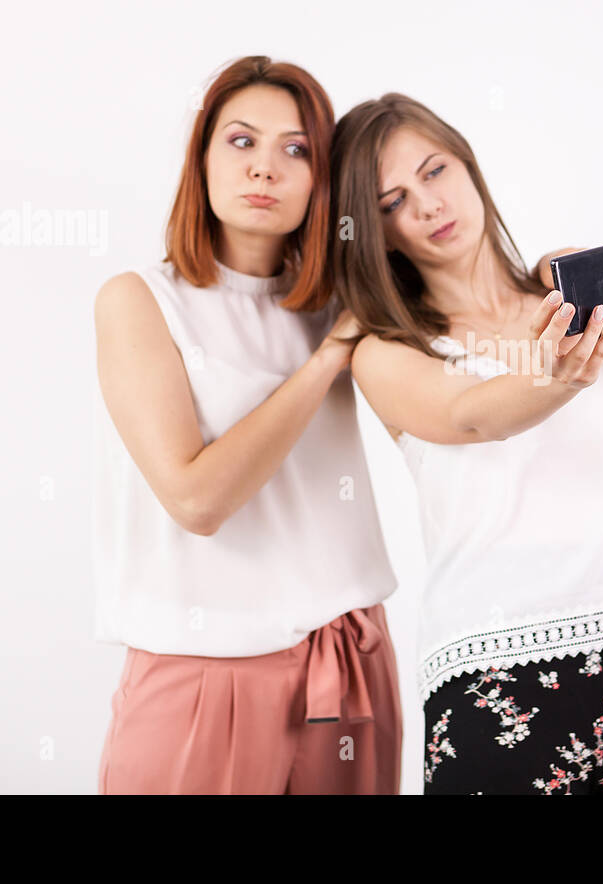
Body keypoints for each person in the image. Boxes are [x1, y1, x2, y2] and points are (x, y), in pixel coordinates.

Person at [329, 92, 603, 794]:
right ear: (377, 230)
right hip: (488, 674)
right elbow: (472, 415)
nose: (428, 205)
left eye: (434, 171)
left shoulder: (566, 284)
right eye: (391, 201)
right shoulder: (386, 351)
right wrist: (555, 375)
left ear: (467, 165)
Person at [91, 57, 402, 794]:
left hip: (349, 656)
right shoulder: (140, 301)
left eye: (296, 150)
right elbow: (196, 500)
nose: (265, 168)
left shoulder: (344, 300)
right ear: (201, 157)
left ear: (321, 179)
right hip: (202, 671)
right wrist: (328, 359)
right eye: (241, 141)